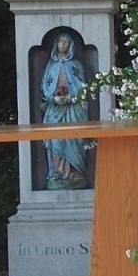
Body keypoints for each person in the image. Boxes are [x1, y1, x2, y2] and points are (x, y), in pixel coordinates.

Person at [41, 32, 89, 189]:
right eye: (61, 42)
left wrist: (70, 98)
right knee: (56, 140)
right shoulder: (51, 66)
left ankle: (74, 173)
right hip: (55, 110)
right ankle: (57, 172)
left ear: (71, 46)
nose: (63, 45)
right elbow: (44, 87)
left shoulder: (76, 65)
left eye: (67, 42)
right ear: (56, 44)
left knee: (73, 140)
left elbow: (83, 88)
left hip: (74, 111)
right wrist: (53, 98)